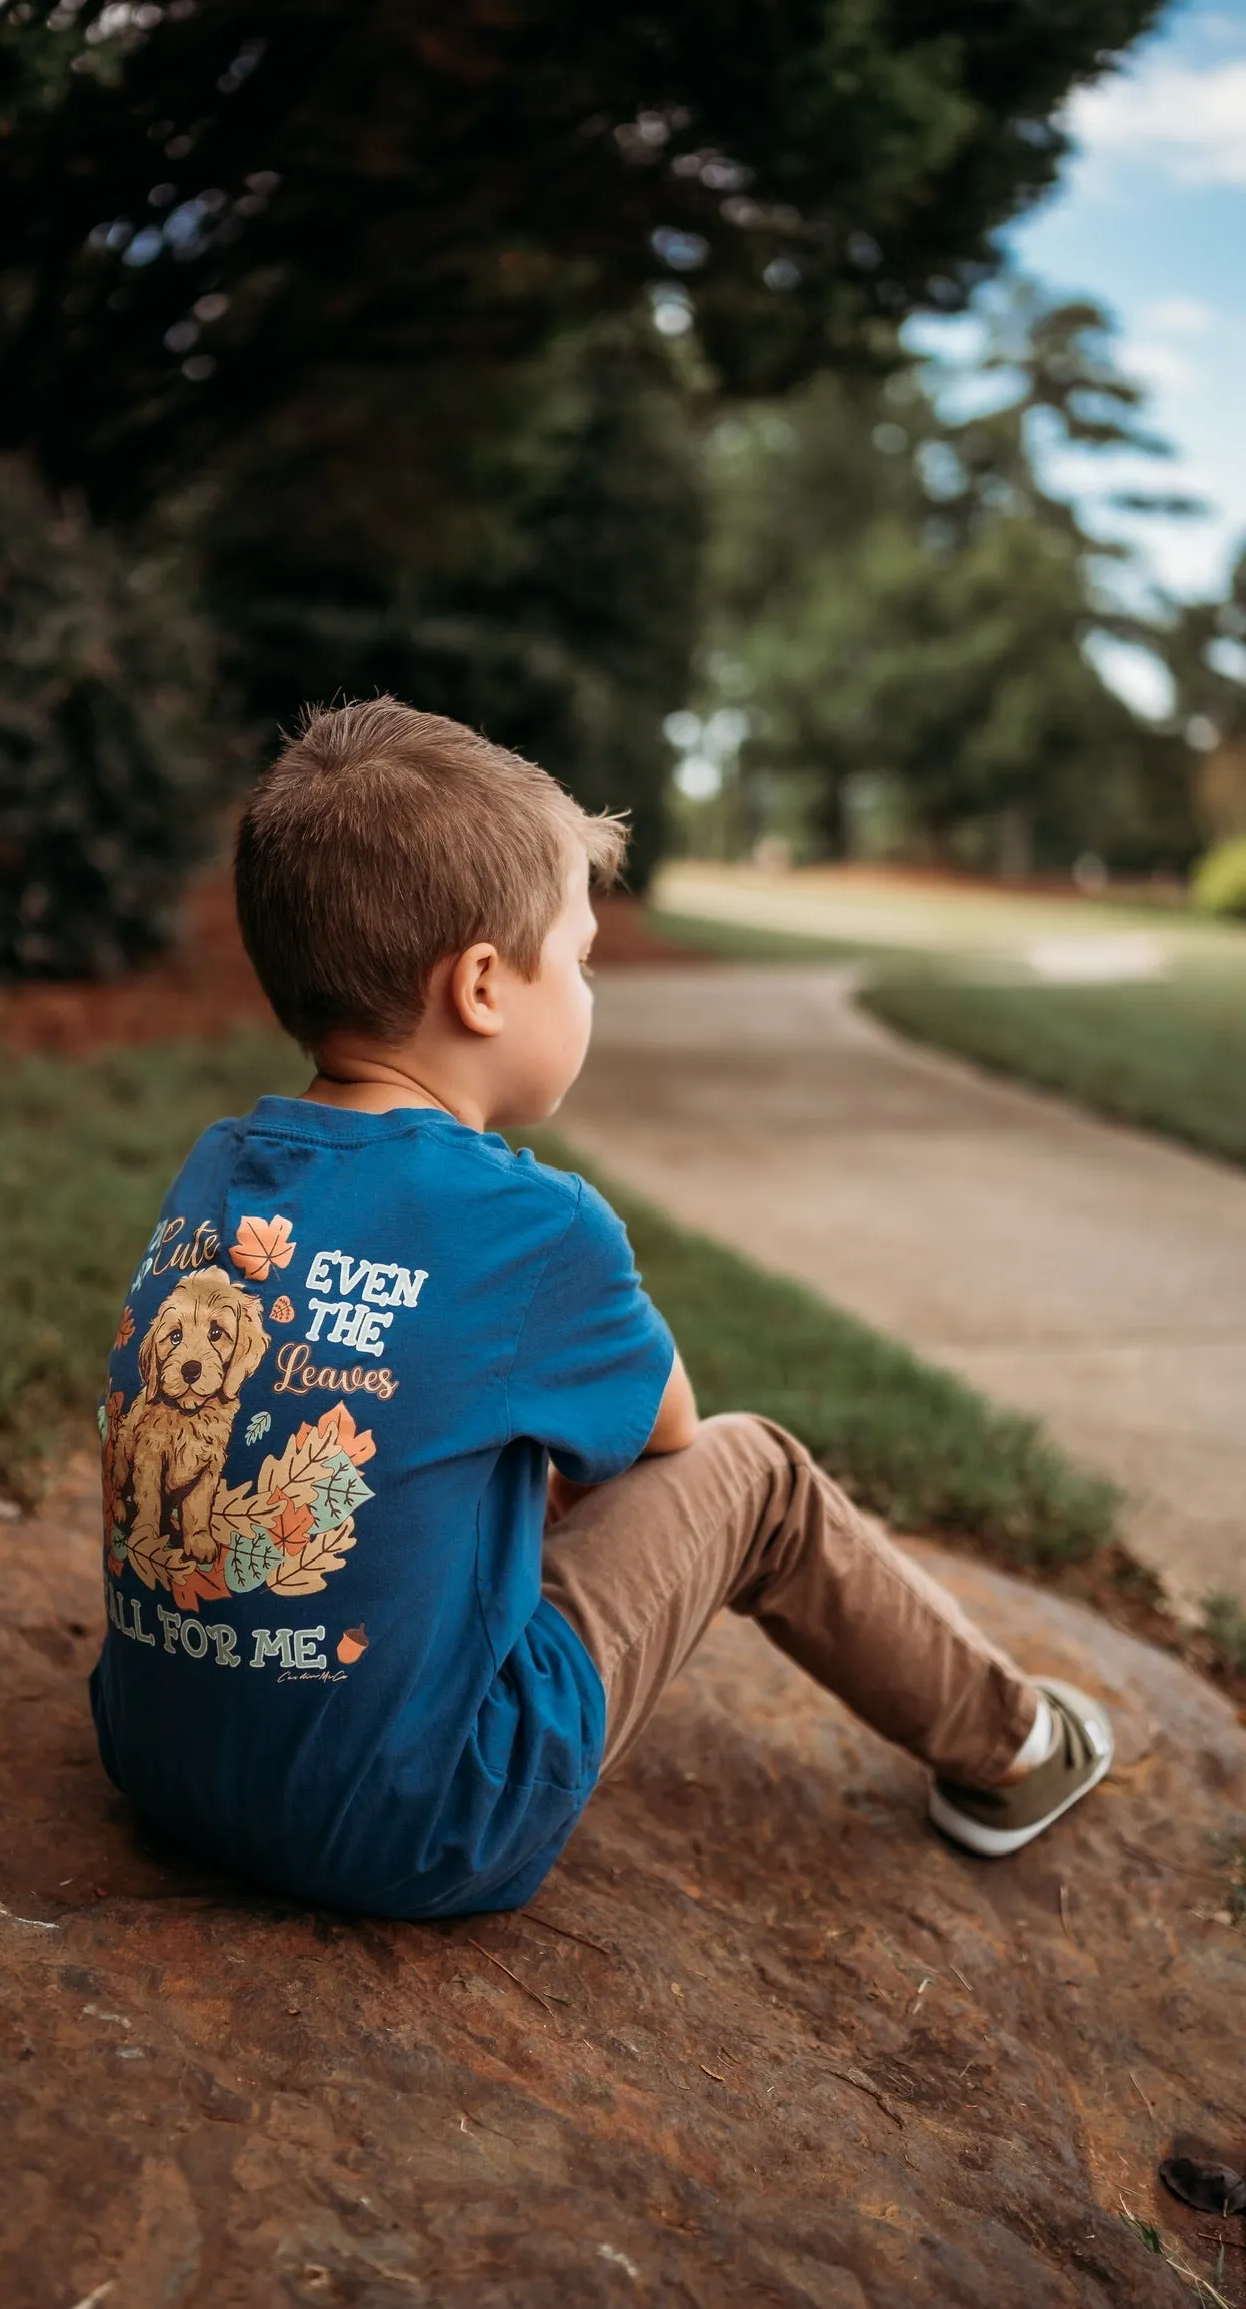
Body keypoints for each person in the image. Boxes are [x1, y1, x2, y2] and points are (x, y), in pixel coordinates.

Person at [89, 698, 1113, 1917]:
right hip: (418, 1828)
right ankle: (1015, 1749)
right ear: (481, 986)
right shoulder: (539, 1225)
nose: (587, 987)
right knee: (759, 1471)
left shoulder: (218, 1165)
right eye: (576, 960)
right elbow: (667, 1435)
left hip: (160, 1759)